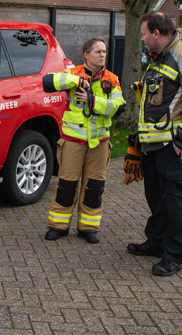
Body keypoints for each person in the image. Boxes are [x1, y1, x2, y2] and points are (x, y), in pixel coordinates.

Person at [126, 11, 182, 277]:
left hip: (173, 146)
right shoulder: (158, 58)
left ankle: (174, 255)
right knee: (156, 196)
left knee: (175, 201)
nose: (141, 39)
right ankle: (157, 242)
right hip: (153, 144)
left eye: (143, 34)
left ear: (156, 33)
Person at [42, 37, 126, 244]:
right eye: (98, 52)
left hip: (99, 143)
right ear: (86, 54)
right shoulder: (72, 73)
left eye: (104, 52)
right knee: (66, 186)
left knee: (94, 187)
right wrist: (77, 81)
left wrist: (92, 100)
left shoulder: (112, 79)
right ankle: (58, 226)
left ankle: (88, 228)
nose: (102, 55)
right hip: (73, 141)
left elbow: (119, 107)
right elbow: (47, 82)